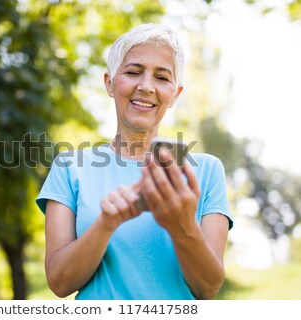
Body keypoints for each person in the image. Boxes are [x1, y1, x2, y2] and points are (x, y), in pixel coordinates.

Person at [36, 23, 233, 300]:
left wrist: (181, 225)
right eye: (133, 72)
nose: (146, 86)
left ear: (175, 94)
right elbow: (59, 282)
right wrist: (106, 223)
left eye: (162, 78)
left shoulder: (206, 171)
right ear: (110, 83)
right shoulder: (69, 166)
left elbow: (208, 287)